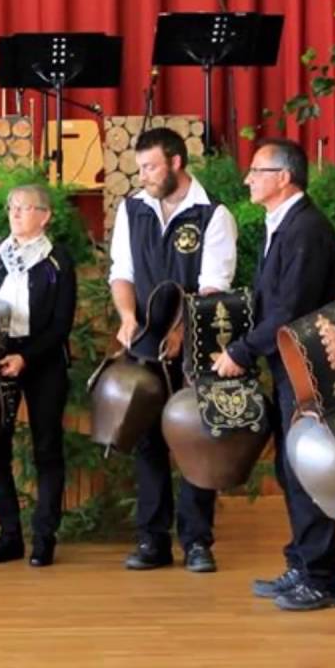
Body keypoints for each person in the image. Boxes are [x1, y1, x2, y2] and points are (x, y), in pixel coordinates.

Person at [214, 138, 335, 611]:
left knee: (306, 470)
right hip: (289, 366)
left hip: (308, 369)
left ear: (283, 177)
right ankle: (304, 565)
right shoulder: (284, 225)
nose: (247, 178)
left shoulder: (306, 230)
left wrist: (241, 352)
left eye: (256, 170)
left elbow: (290, 311)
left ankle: (321, 580)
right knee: (291, 469)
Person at [108, 127, 237, 573]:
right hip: (144, 343)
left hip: (195, 345)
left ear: (177, 164)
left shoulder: (212, 214)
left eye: (151, 167)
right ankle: (152, 540)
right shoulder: (132, 210)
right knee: (147, 440)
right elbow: (121, 272)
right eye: (140, 167)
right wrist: (128, 317)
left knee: (196, 439)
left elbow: (213, 286)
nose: (142, 175)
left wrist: (183, 329)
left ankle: (198, 542)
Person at [0, 185, 76, 568]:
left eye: (25, 208)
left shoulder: (58, 260)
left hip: (42, 357)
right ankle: (9, 535)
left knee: (47, 447)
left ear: (44, 216)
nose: (15, 214)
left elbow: (62, 324)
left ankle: (44, 537)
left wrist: (25, 358)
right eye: (12, 207)